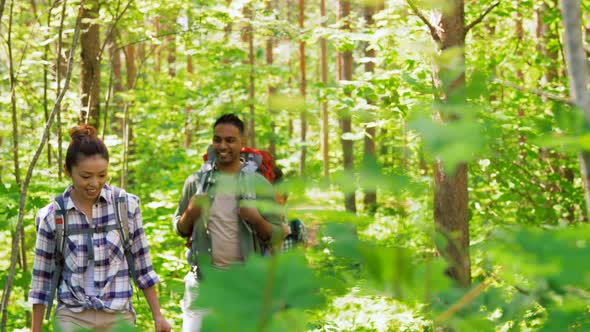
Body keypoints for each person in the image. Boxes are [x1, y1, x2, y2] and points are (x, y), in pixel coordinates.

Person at [29, 124, 171, 332]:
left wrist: (158, 316)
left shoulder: (126, 206)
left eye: (102, 175)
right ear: (68, 171)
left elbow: (143, 266)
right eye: (86, 176)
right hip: (73, 317)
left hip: (118, 316)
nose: (95, 183)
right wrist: (36, 329)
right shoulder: (52, 216)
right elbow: (42, 280)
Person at [172, 113, 285, 331]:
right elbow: (179, 228)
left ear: (242, 143)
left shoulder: (258, 184)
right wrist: (191, 212)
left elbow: (278, 233)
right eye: (217, 139)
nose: (222, 145)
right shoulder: (196, 181)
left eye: (230, 140)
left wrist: (256, 218)